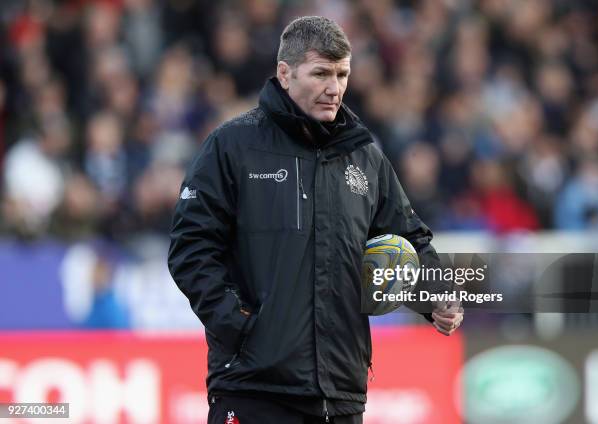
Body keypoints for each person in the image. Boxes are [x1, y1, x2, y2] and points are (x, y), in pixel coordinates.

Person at [168, 16, 463, 424]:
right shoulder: (232, 145)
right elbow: (190, 247)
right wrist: (239, 325)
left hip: (340, 394)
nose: (334, 87)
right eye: (321, 73)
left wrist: (435, 296)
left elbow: (409, 239)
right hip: (254, 390)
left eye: (342, 73)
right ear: (284, 74)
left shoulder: (365, 156)